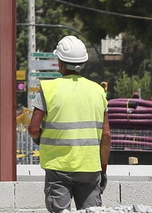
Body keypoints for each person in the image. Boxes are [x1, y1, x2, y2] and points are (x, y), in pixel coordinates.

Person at [27, 36, 111, 212]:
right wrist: (102, 168)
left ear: (60, 63)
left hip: (58, 168)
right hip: (90, 168)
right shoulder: (98, 91)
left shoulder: (48, 89)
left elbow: (34, 129)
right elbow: (106, 136)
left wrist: (40, 139)